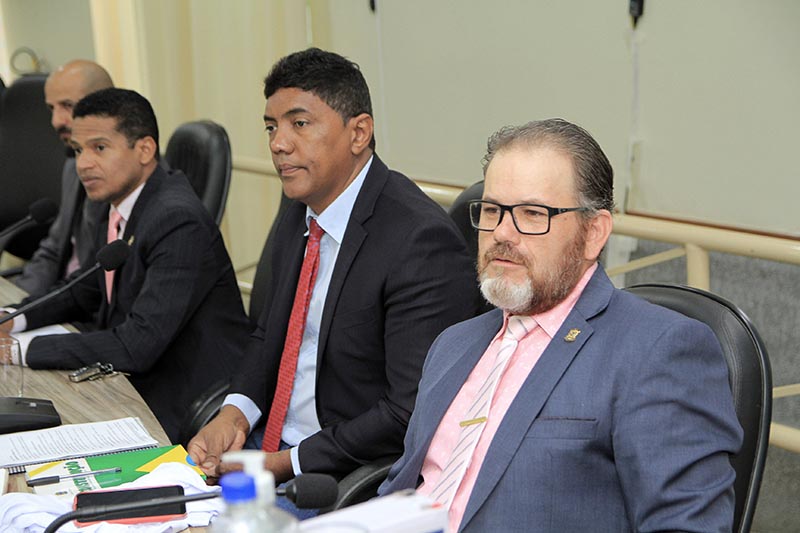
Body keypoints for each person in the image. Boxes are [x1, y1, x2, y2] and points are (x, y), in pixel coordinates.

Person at [379, 118, 743, 532]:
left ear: (594, 233)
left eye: (533, 214)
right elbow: (402, 488)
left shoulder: (658, 350)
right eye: (493, 210)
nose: (502, 233)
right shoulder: (453, 343)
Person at [187, 48, 479, 500]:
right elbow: (270, 334)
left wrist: (285, 463)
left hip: (336, 476)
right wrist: (234, 414)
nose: (279, 144)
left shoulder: (419, 241)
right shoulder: (302, 206)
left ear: (358, 133)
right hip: (265, 445)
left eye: (299, 124)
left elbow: (406, 412)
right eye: (271, 127)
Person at [0, 88, 250, 442]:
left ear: (144, 150)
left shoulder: (178, 219)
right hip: (130, 379)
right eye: (78, 150)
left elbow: (137, 345)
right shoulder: (116, 202)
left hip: (183, 400)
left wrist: (18, 350)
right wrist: (13, 318)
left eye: (99, 148)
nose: (83, 164)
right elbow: (83, 289)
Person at [14, 60, 112, 297]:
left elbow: (101, 278)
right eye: (51, 108)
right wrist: (14, 304)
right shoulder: (71, 166)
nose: (56, 121)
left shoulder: (127, 175)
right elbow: (53, 251)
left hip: (87, 306)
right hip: (58, 299)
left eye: (68, 105)